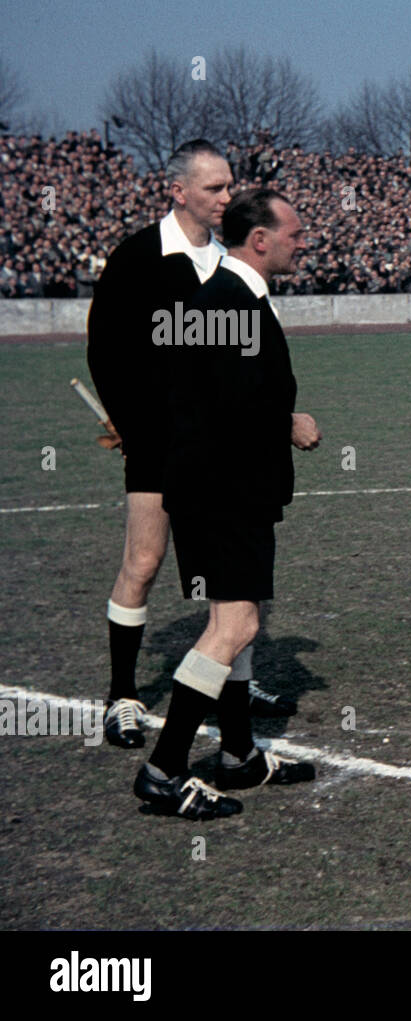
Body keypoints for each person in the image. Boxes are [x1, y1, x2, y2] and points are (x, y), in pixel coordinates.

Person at [132, 188, 322, 820]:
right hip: (223, 491)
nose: (303, 241)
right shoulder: (233, 302)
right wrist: (290, 421)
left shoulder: (223, 299)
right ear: (260, 239)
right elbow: (235, 410)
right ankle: (164, 769)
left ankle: (239, 755)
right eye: (293, 232)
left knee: (239, 620)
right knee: (235, 626)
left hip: (215, 486)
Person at [87, 140, 234, 750]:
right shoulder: (137, 257)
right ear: (178, 192)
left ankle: (228, 689)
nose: (226, 198)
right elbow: (105, 349)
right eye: (213, 189)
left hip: (218, 448)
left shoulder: (227, 260)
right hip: (156, 446)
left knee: (221, 575)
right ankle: (122, 693)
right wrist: (132, 422)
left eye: (228, 187)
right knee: (143, 563)